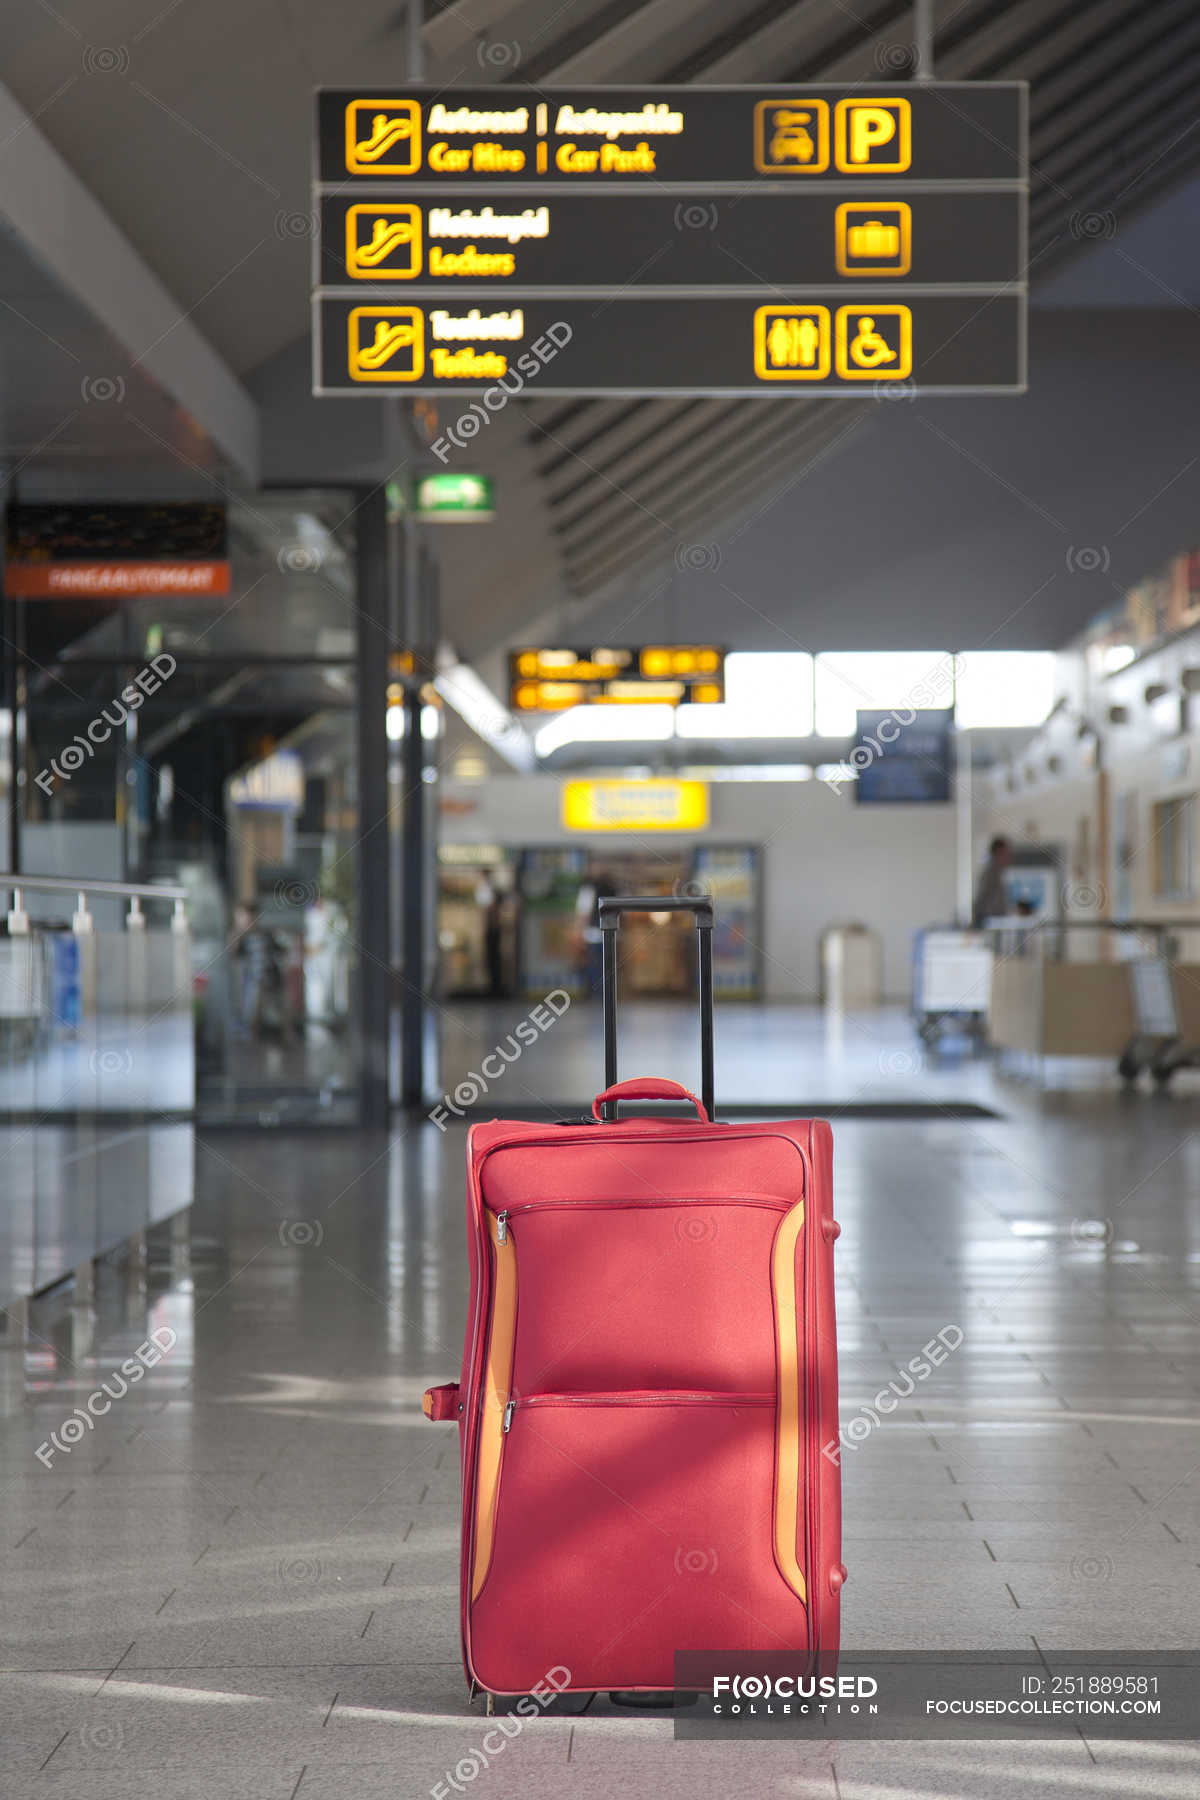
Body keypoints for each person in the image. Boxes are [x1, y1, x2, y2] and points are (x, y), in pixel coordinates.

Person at [972, 835, 1013, 927]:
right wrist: (976, 918)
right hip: (988, 920)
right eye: (1007, 853)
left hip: (996, 920)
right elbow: (982, 895)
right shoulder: (990, 871)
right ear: (998, 852)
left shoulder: (999, 872)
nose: (1009, 857)